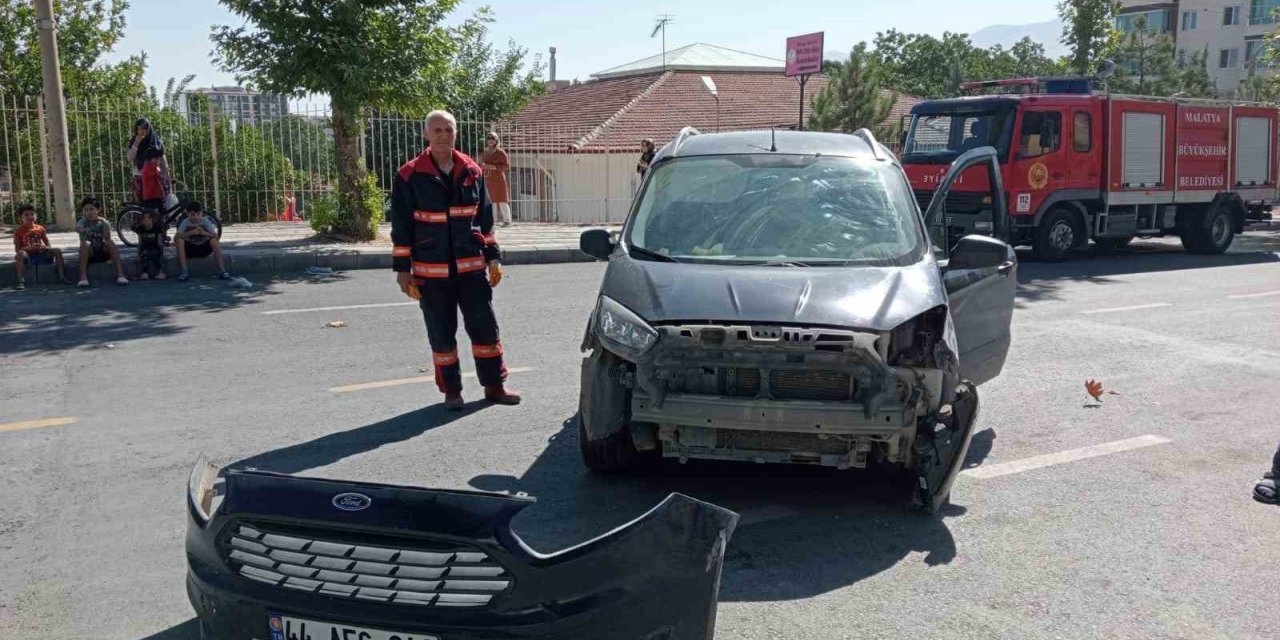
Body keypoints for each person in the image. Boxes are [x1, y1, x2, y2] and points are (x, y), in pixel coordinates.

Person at [391, 110, 521, 411]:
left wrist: (494, 259)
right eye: (436, 130)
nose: (442, 135)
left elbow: (485, 222)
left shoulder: (472, 171)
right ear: (426, 134)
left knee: (485, 330)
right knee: (441, 333)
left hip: (472, 269)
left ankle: (495, 386)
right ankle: (452, 391)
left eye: (448, 130)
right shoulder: (409, 174)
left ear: (456, 133)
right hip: (430, 272)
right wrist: (402, 270)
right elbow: (401, 225)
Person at [75, 197, 128, 287]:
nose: (89, 212)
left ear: (98, 210)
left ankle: (121, 274)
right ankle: (83, 277)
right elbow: (77, 228)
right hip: (90, 254)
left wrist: (104, 225)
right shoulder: (83, 222)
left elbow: (107, 238)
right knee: (85, 244)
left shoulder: (103, 222)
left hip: (102, 253)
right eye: (86, 210)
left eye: (91, 209)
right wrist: (84, 230)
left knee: (110, 242)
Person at [12, 204, 67, 289]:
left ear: (36, 216)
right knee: (20, 254)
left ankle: (62, 277)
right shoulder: (18, 231)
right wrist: (29, 248)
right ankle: (20, 281)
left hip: (42, 254)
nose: (30, 216)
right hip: (28, 256)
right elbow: (17, 249)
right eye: (26, 215)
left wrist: (43, 247)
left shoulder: (40, 228)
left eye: (32, 214)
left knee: (57, 251)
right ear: (21, 217)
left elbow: (48, 245)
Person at [174, 201, 230, 282]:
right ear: (188, 214)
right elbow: (176, 237)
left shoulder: (205, 221)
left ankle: (222, 270)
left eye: (198, 214)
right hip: (190, 249)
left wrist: (204, 233)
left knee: (214, 241)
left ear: (202, 213)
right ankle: (184, 272)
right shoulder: (185, 222)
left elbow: (216, 236)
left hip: (203, 249)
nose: (196, 217)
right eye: (192, 214)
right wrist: (191, 233)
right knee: (179, 241)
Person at [128, 118, 170, 204]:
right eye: (138, 129)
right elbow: (130, 158)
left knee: (155, 204)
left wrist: (167, 179)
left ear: (148, 129)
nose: (141, 131)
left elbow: (163, 162)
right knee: (140, 206)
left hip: (154, 178)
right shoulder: (134, 141)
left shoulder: (156, 142)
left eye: (143, 128)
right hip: (139, 177)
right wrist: (136, 143)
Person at [482, 132, 512, 227]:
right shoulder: (485, 151)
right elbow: (483, 163)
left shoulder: (501, 152)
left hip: (498, 179)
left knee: (502, 200)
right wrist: (483, 166)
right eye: (489, 139)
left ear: (496, 140)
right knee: (491, 201)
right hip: (488, 178)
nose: (490, 141)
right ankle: (492, 221)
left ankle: (507, 221)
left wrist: (493, 167)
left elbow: (506, 166)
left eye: (493, 139)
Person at [132, 209, 167, 280]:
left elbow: (159, 243)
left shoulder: (157, 228)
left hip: (155, 248)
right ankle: (145, 272)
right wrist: (138, 254)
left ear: (152, 219)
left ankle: (161, 272)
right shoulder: (141, 229)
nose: (146, 220)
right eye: (144, 218)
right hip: (145, 249)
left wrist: (162, 253)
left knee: (156, 255)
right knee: (144, 255)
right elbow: (140, 243)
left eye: (148, 218)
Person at [138, 147, 169, 213]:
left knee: (161, 213)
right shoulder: (148, 168)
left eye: (159, 159)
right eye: (156, 158)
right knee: (154, 215)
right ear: (150, 159)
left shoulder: (155, 167)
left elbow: (160, 176)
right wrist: (164, 177)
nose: (158, 160)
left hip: (157, 195)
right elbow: (156, 175)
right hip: (150, 196)